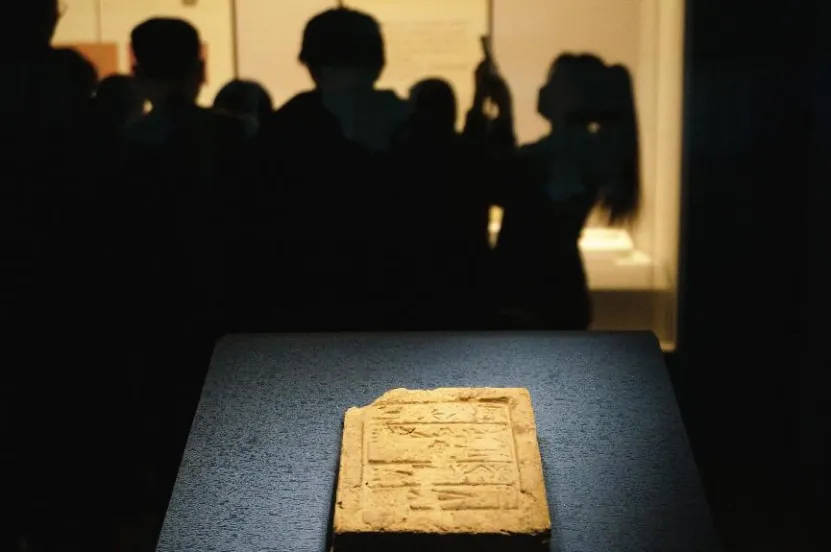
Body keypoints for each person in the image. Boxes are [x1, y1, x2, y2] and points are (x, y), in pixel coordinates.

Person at [115, 17, 248, 512]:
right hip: (225, 305)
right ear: (199, 68)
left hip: (148, 309)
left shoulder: (126, 144)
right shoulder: (234, 135)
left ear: (137, 72)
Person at [254, 7, 409, 330]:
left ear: (310, 64)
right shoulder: (413, 127)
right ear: (379, 62)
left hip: (302, 307)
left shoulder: (283, 130)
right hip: (398, 306)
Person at [492, 54, 640, 329]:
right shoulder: (580, 150)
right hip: (551, 292)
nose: (542, 89)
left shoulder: (566, 154)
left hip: (538, 296)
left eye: (552, 82)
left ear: (574, 96)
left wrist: (502, 114)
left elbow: (502, 181)